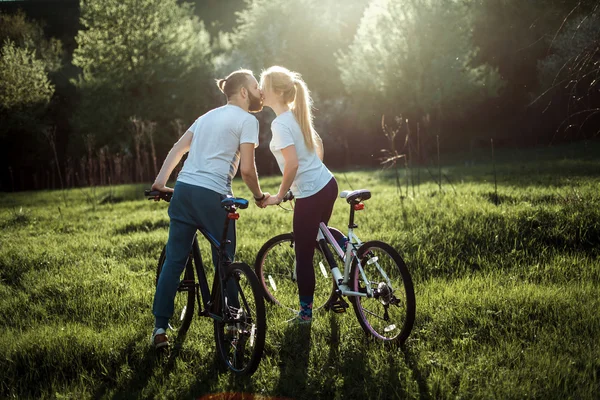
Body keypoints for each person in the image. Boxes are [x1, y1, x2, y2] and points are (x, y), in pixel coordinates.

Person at [150, 69, 269, 348]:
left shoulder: (204, 118)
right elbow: (248, 171)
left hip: (183, 192)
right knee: (225, 259)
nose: (259, 91)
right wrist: (259, 195)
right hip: (213, 195)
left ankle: (159, 329)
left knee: (174, 261)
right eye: (255, 86)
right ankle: (234, 326)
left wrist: (160, 183)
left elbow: (178, 149)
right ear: (243, 92)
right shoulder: (247, 120)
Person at [258, 65, 337, 324]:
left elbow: (291, 164)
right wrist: (305, 181)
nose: (259, 89)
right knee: (320, 232)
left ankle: (305, 315)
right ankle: (353, 254)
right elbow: (319, 146)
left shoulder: (281, 123)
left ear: (277, 92)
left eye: (263, 85)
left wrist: (281, 194)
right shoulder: (296, 115)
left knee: (303, 255)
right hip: (326, 184)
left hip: (312, 193)